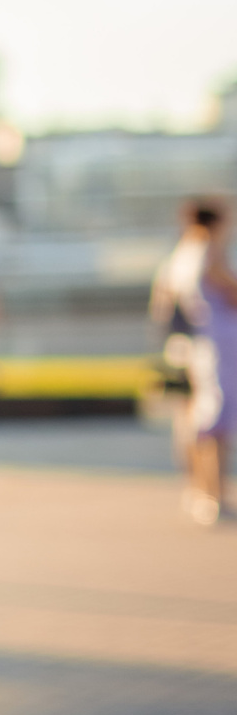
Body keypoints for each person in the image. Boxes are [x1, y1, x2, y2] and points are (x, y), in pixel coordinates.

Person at [152, 198, 235, 525]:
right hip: (216, 348)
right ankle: (215, 495)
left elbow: (163, 304)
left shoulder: (180, 254)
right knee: (215, 422)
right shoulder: (208, 252)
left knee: (191, 421)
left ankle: (198, 490)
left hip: (188, 346)